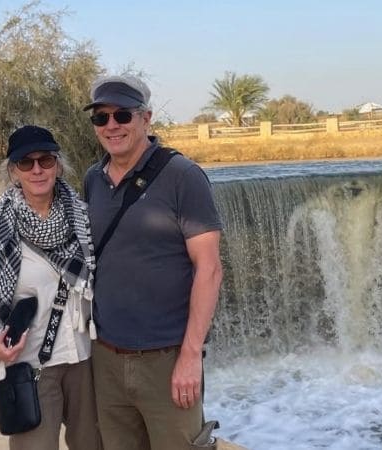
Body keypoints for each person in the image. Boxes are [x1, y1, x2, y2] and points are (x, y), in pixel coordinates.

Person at [82, 74, 224, 449]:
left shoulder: (183, 177)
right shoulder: (92, 180)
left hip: (167, 361)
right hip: (106, 359)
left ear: (146, 119)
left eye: (122, 116)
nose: (112, 126)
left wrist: (191, 356)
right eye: (101, 118)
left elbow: (209, 268)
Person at [0, 125, 101, 450]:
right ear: (13, 171)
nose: (37, 169)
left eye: (45, 160)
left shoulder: (85, 220)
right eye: (26, 162)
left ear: (58, 165)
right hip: (33, 368)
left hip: (87, 361)